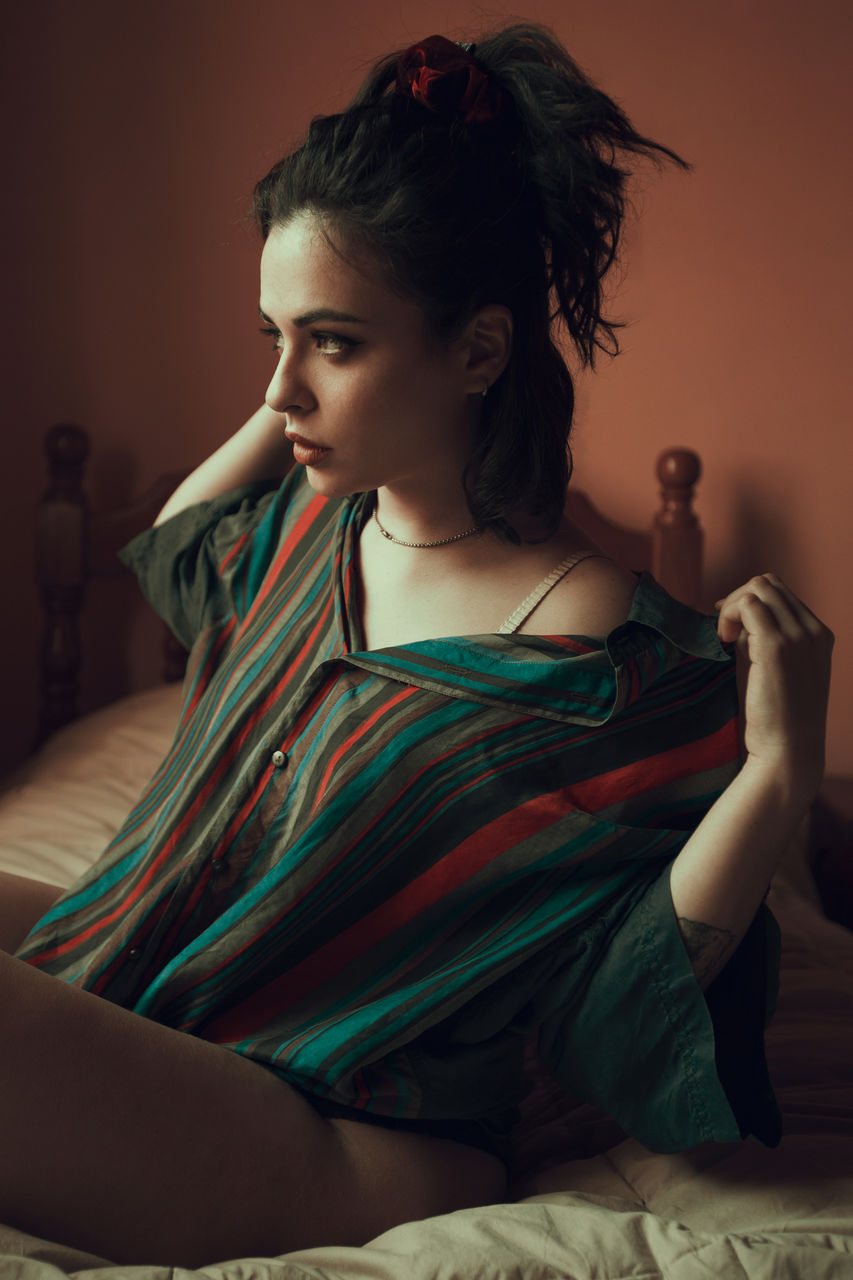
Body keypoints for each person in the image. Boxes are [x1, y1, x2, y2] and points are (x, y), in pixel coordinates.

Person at [1, 25, 833, 1268]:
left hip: (331, 1117)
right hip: (151, 980)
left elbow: (616, 1018)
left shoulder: (610, 661)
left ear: (481, 350)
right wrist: (312, 332)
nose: (282, 391)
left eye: (333, 343)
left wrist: (777, 773)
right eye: (268, 336)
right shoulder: (295, 533)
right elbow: (183, 549)